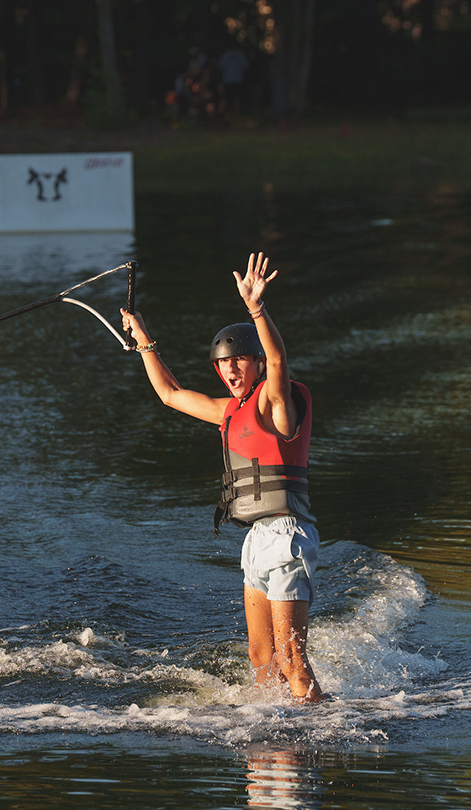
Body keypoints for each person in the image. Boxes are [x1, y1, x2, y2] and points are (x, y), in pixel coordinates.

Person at [119, 253, 324, 703]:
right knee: (261, 657)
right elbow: (170, 395)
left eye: (239, 361)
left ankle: (324, 739)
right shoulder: (229, 412)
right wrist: (144, 339)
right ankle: (268, 765)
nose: (230, 370)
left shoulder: (278, 404)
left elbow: (278, 360)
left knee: (291, 659)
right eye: (222, 364)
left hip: (288, 535)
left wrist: (256, 309)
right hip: (255, 540)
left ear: (255, 364)